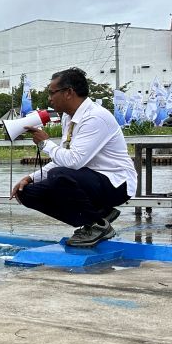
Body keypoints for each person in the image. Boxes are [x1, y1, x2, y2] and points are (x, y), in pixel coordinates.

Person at [11, 67, 137, 248]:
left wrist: (45, 144)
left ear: (69, 92)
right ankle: (97, 216)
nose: (49, 98)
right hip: (87, 180)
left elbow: (74, 161)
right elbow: (63, 159)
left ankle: (97, 225)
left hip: (116, 183)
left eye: (52, 93)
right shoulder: (68, 118)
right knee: (26, 192)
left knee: (58, 175)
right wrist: (30, 178)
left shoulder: (95, 117)